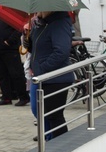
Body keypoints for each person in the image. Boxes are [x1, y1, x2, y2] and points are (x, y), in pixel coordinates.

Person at [27, 11, 75, 140]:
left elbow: (61, 51)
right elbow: (37, 48)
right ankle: (48, 136)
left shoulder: (59, 23)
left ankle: (60, 145)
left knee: (54, 115)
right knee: (39, 111)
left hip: (56, 78)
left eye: (39, 8)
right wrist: (28, 37)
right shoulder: (42, 24)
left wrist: (43, 68)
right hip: (41, 77)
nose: (37, 12)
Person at [0, 15, 29, 107]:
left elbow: (18, 29)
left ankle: (23, 97)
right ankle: (6, 97)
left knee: (16, 74)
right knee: (1, 74)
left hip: (10, 49)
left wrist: (10, 41)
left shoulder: (10, 15)